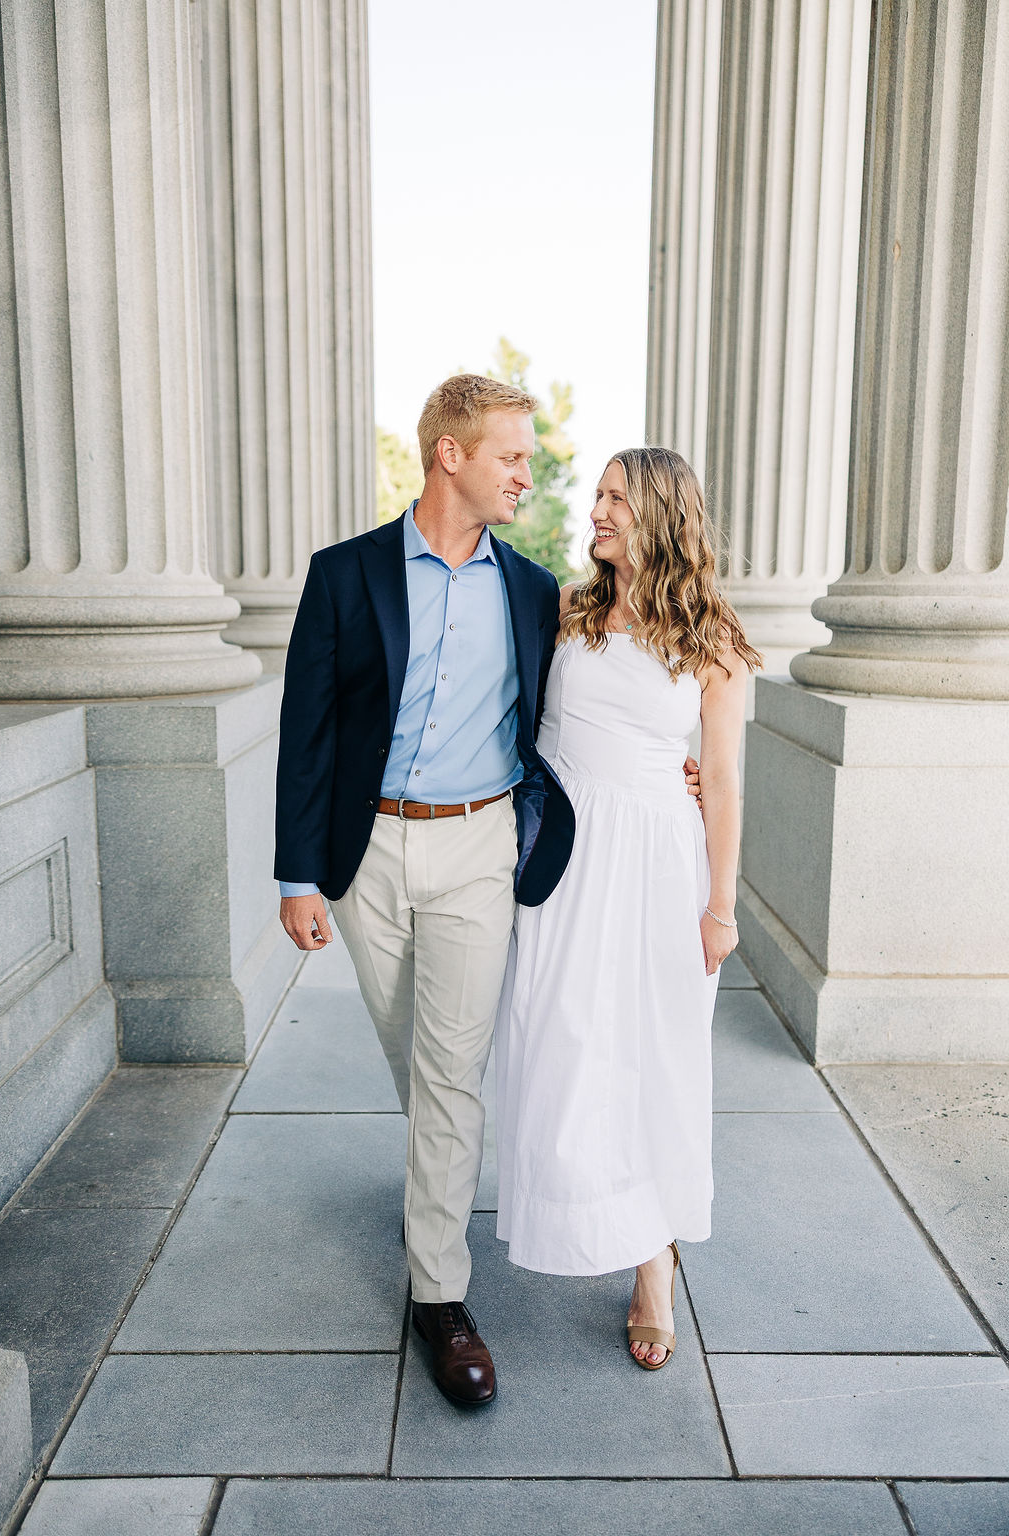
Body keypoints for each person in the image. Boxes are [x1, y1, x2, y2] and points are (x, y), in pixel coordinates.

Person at [274, 375, 592, 1408]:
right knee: (413, 1056)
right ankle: (435, 1196)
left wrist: (670, 767)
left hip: (477, 848)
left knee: (450, 1074)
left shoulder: (533, 589)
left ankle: (440, 1300)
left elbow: (575, 708)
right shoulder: (344, 575)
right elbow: (307, 729)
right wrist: (297, 874)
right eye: (511, 454)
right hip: (366, 852)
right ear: (449, 455)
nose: (526, 474)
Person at [495, 445, 760, 1369]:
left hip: (658, 865)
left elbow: (721, 779)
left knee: (652, 1059)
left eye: (614, 496)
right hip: (567, 858)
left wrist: (720, 908)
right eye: (598, 495)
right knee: (566, 1044)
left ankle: (654, 1265)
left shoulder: (713, 640)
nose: (596, 510)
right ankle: (585, 1214)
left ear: (658, 512)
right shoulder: (563, 613)